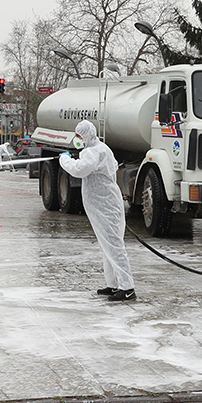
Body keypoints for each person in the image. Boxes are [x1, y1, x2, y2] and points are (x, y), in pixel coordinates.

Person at [59, 119, 137, 302]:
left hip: (106, 206)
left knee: (113, 246)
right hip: (104, 204)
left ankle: (127, 288)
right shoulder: (101, 149)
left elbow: (80, 170)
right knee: (107, 246)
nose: (77, 139)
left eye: (79, 135)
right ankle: (113, 285)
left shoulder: (93, 151)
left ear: (86, 135)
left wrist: (65, 159)